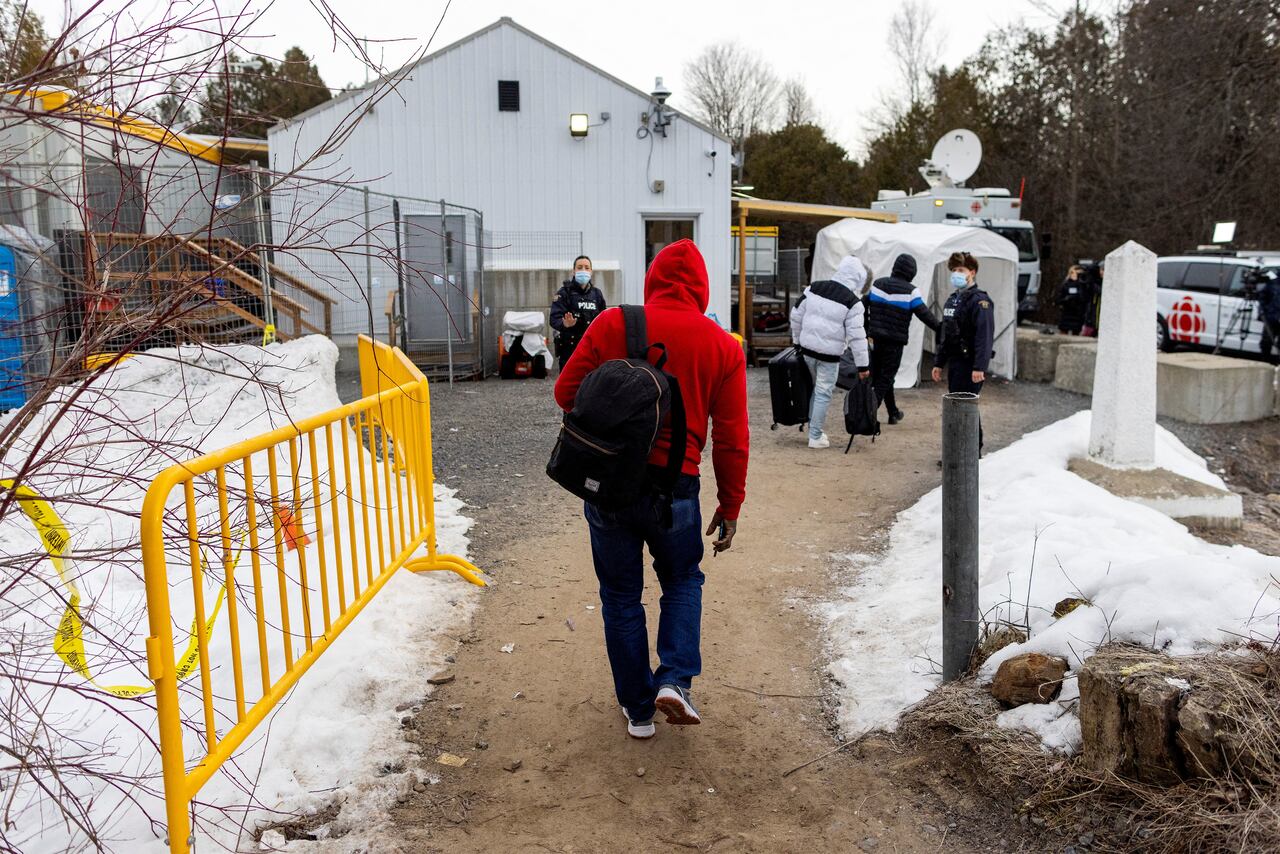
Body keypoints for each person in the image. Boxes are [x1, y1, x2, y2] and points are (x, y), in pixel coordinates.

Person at [553, 239, 749, 740]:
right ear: (703, 288)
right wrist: (730, 505)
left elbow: (565, 392)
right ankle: (676, 682)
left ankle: (638, 710)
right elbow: (731, 438)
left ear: (653, 278)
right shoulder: (723, 345)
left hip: (610, 482)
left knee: (621, 595)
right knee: (682, 580)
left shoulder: (614, 322)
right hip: (677, 488)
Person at [789, 255, 870, 448]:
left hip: (806, 349)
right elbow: (857, 337)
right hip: (830, 356)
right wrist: (863, 365)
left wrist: (797, 341)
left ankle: (811, 428)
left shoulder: (814, 287)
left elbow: (796, 314)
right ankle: (815, 436)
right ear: (858, 279)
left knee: (810, 388)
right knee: (823, 392)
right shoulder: (853, 303)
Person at [864, 253, 940, 424]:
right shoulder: (910, 291)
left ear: (895, 268)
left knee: (882, 376)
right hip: (894, 342)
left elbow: (862, 305)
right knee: (886, 377)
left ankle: (893, 413)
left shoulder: (877, 284)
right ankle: (868, 413)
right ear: (911, 272)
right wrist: (942, 328)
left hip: (874, 340)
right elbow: (925, 315)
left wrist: (866, 328)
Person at [931, 251, 995, 452]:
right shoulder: (953, 300)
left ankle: (973, 451)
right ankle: (957, 452)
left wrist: (979, 367)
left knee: (967, 408)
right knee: (955, 407)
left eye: (961, 270)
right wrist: (938, 362)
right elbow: (947, 335)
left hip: (971, 364)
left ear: (972, 272)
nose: (956, 274)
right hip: (956, 363)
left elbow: (984, 337)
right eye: (954, 270)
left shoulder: (980, 301)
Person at [550, 255, 607, 369]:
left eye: (587, 267)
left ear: (591, 272)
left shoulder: (597, 294)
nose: (583, 270)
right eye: (580, 267)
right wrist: (564, 324)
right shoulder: (564, 293)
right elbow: (553, 319)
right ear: (574, 271)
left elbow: (604, 319)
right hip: (570, 351)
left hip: (592, 350)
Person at [1056, 265, 1091, 335]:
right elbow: (1058, 299)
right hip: (1066, 313)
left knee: (1076, 333)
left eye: (1077, 273)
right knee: (1063, 332)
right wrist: (1067, 299)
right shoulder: (1065, 284)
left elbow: (1085, 299)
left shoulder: (1082, 285)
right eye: (1073, 273)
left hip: (1078, 314)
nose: (1075, 275)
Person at [1258, 268, 1280, 363]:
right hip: (1271, 317)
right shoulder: (1273, 284)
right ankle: (1266, 361)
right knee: (1266, 341)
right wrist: (1264, 312)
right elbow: (1262, 298)